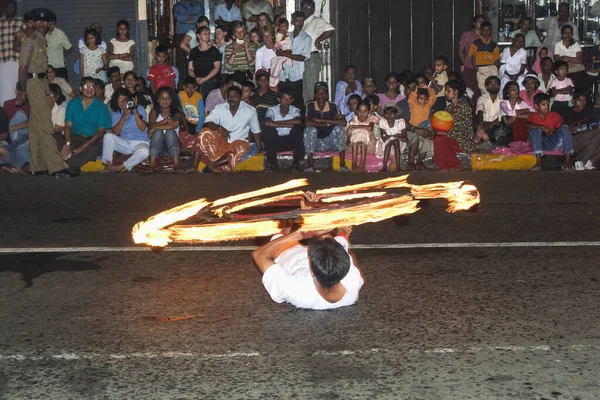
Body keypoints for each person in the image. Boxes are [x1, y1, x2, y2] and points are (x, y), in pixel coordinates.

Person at [18, 8, 76, 178]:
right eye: (38, 21)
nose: (42, 24)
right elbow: (23, 67)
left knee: (35, 126)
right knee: (45, 124)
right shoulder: (31, 41)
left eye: (45, 21)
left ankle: (37, 165)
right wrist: (22, 91)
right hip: (33, 83)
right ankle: (57, 167)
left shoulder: (42, 40)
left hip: (42, 82)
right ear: (32, 23)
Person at [252, 226, 364, 310]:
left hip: (283, 251)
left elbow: (259, 255)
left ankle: (284, 231)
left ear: (312, 272)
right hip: (323, 256)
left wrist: (305, 233)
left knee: (269, 230)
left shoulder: (295, 290)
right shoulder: (352, 283)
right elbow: (346, 254)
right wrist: (342, 235)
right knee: (328, 236)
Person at [194, 86, 262, 172]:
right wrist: (219, 128)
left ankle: (214, 165)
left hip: (237, 143)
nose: (232, 99)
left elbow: (256, 132)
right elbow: (207, 123)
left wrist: (260, 149)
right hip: (220, 142)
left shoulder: (250, 111)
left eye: (235, 96)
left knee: (242, 146)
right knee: (204, 132)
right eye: (229, 96)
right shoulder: (220, 108)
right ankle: (194, 166)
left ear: (240, 97)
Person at [58, 77, 111, 170]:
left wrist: (84, 146)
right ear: (81, 89)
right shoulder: (73, 103)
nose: (89, 89)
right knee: (54, 137)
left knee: (93, 149)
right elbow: (68, 125)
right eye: (86, 86)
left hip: (91, 141)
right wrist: (68, 144)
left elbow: (101, 131)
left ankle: (64, 166)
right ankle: (71, 161)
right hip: (74, 138)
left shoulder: (102, 107)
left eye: (92, 87)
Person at [101, 87, 150, 172]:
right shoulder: (116, 113)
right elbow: (116, 132)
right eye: (119, 100)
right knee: (108, 136)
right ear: (116, 102)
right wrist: (124, 115)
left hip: (141, 142)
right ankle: (108, 164)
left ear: (130, 100)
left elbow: (142, 128)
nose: (122, 102)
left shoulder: (140, 109)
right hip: (125, 143)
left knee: (145, 151)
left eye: (125, 99)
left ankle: (122, 166)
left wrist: (135, 110)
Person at [303, 81, 348, 172]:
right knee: (309, 130)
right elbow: (307, 123)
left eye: (323, 92)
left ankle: (342, 165)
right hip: (314, 143)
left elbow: (343, 122)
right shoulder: (310, 105)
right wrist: (328, 124)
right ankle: (310, 165)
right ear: (314, 95)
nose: (321, 95)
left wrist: (324, 120)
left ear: (327, 95)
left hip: (330, 142)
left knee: (339, 129)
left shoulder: (333, 106)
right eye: (318, 93)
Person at [526, 92, 573, 171]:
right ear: (537, 106)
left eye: (548, 104)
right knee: (535, 130)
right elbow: (527, 125)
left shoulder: (554, 115)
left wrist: (560, 127)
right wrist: (541, 127)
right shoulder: (533, 116)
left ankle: (567, 160)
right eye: (543, 105)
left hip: (553, 141)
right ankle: (539, 161)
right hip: (540, 144)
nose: (547, 107)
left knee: (565, 127)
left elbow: (563, 122)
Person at [301, 0, 335, 106]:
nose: (306, 10)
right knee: (304, 89)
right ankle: (307, 113)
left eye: (308, 8)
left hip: (312, 57)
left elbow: (331, 29)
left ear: (313, 9)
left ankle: (314, 112)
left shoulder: (317, 21)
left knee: (311, 87)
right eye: (304, 8)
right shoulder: (302, 23)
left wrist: (318, 39)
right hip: (302, 59)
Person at [277, 11, 312, 115]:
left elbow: (302, 57)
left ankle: (298, 125)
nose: (300, 23)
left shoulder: (306, 38)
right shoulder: (288, 35)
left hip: (296, 75)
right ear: (292, 21)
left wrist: (285, 54)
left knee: (296, 102)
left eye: (302, 21)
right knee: (282, 101)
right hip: (283, 74)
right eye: (297, 21)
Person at [263, 88, 304, 172]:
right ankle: (272, 163)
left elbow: (298, 121)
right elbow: (267, 122)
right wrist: (287, 124)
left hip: (291, 141)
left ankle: (296, 163)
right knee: (268, 130)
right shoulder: (272, 110)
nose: (286, 101)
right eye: (284, 99)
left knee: (297, 128)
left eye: (289, 99)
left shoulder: (294, 110)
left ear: (292, 100)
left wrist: (276, 123)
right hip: (276, 141)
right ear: (279, 100)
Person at [148, 86, 185, 173]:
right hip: (158, 148)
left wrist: (156, 126)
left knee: (170, 131)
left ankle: (176, 163)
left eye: (168, 98)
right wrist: (166, 121)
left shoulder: (177, 113)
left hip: (173, 148)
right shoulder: (154, 112)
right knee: (158, 133)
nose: (165, 101)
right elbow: (150, 127)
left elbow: (174, 125)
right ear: (158, 100)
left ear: (171, 100)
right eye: (162, 98)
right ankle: (152, 163)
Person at [561, 90, 600, 170]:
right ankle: (580, 160)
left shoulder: (588, 111)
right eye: (579, 100)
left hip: (587, 140)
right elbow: (561, 125)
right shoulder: (566, 112)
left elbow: (594, 123)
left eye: (584, 100)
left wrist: (595, 130)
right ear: (573, 101)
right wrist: (568, 126)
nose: (582, 103)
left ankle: (589, 162)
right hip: (572, 141)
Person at [173, 0, 205, 78]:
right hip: (181, 35)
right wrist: (192, 17)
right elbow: (179, 18)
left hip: (195, 35)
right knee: (182, 62)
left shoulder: (198, 5)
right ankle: (182, 85)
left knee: (196, 60)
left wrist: (186, 19)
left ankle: (195, 82)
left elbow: (200, 18)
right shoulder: (177, 6)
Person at [187, 27, 222, 100]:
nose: (207, 35)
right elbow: (190, 69)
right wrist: (194, 79)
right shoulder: (193, 51)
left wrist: (204, 79)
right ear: (198, 36)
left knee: (204, 88)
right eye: (204, 33)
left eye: (208, 34)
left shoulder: (214, 51)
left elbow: (217, 68)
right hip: (197, 78)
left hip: (211, 78)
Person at [346, 99, 379, 172]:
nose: (362, 113)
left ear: (369, 112)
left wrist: (354, 127)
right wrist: (348, 139)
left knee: (363, 133)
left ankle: (362, 164)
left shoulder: (372, 118)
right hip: (354, 146)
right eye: (360, 111)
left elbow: (370, 127)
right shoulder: (353, 120)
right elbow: (348, 133)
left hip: (369, 145)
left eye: (365, 111)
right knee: (357, 134)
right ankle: (354, 164)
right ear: (357, 111)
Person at [0, 0, 22, 106]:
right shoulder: (0, 23)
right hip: (2, 60)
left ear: (16, 9)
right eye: (9, 7)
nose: (11, 9)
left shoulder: (21, 22)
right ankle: (3, 111)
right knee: (3, 88)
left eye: (13, 7)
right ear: (5, 9)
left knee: (16, 86)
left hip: (17, 60)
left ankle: (15, 109)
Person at [469, 21, 500, 96]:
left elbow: (496, 59)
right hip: (481, 68)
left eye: (488, 30)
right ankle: (485, 105)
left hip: (491, 67)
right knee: (483, 88)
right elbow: (473, 57)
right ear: (480, 31)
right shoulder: (476, 43)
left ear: (491, 31)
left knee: (494, 87)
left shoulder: (493, 45)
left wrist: (496, 69)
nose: (486, 32)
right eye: (484, 30)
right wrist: (476, 69)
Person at [458, 14, 485, 96]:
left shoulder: (485, 36)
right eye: (479, 22)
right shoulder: (467, 35)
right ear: (474, 23)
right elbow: (460, 51)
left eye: (483, 22)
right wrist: (464, 63)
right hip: (469, 66)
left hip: (482, 66)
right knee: (469, 89)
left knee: (480, 89)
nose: (481, 24)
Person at [445, 80, 474, 153]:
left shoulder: (464, 106)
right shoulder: (448, 108)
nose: (446, 93)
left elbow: (459, 128)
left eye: (448, 91)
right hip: (454, 137)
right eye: (445, 91)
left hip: (463, 140)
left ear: (456, 92)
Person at [376, 104, 405, 172]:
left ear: (396, 114)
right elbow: (383, 138)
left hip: (399, 143)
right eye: (387, 113)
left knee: (395, 141)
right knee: (391, 141)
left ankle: (398, 166)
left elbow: (405, 138)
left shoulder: (400, 122)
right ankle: (384, 166)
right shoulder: (383, 122)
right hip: (386, 143)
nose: (389, 115)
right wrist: (395, 136)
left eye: (391, 113)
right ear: (384, 114)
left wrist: (391, 137)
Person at [475, 76, 502, 144]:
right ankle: (483, 134)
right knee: (478, 125)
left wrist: (484, 127)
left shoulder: (503, 99)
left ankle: (481, 134)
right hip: (484, 123)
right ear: (486, 87)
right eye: (491, 83)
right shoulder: (482, 98)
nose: (493, 85)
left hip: (497, 125)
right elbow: (480, 111)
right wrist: (481, 124)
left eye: (495, 83)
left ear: (499, 86)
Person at [45, 13, 72, 82]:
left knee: (63, 89)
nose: (50, 26)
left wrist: (61, 55)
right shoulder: (42, 33)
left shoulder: (60, 33)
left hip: (59, 66)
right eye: (49, 24)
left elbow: (69, 47)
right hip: (45, 68)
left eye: (52, 24)